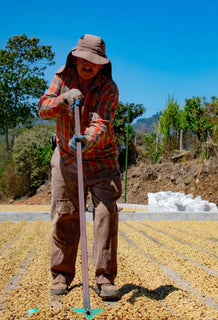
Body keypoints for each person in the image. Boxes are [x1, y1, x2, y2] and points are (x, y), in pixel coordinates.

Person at [38, 34, 122, 300]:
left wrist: (85, 140)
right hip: (66, 158)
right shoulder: (62, 79)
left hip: (102, 160)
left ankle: (104, 278)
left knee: (105, 215)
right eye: (84, 59)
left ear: (101, 65)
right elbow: (43, 108)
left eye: (94, 62)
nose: (89, 65)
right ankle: (61, 275)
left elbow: (101, 122)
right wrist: (63, 99)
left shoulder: (108, 88)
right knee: (65, 215)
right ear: (75, 58)